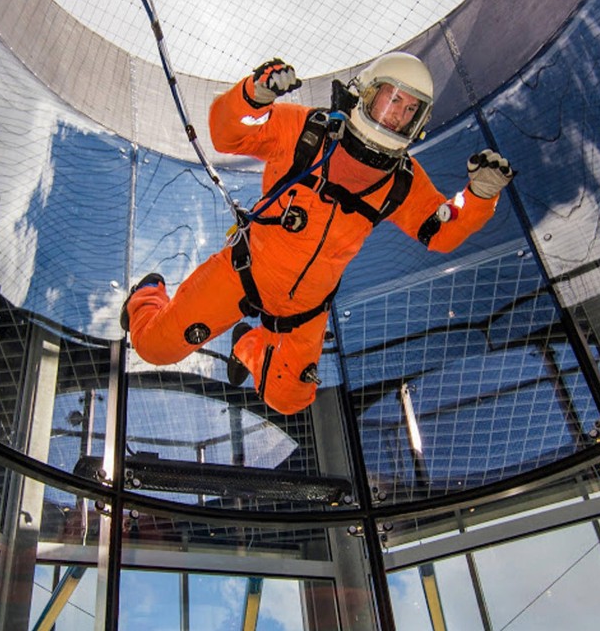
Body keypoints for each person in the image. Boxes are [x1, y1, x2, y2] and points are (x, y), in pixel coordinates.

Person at [121, 52, 514, 415]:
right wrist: (251, 97)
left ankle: (250, 346)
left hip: (306, 310)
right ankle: (147, 295)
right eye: (393, 99)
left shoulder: (403, 180)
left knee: (289, 400)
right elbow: (228, 135)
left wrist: (479, 196)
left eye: (411, 110)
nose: (398, 115)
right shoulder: (307, 131)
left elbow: (439, 232)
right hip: (244, 273)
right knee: (153, 347)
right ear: (366, 92)